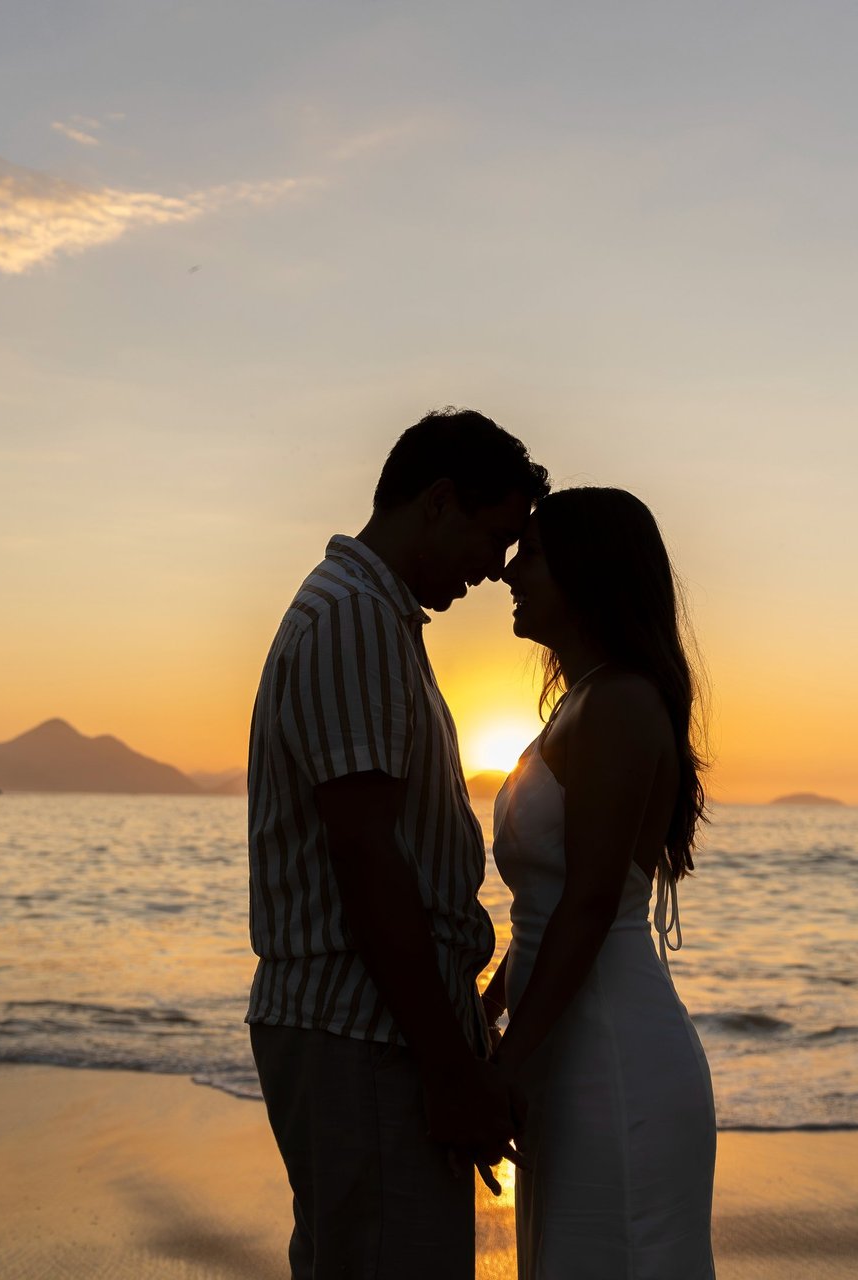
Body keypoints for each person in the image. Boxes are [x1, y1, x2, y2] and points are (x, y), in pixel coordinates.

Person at [246, 408, 550, 1278]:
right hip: (363, 1032)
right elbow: (369, 862)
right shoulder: (353, 620)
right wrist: (451, 1069)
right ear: (440, 502)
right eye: (496, 538)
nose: (496, 571)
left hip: (370, 1029)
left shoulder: (371, 617)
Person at [483, 486, 718, 1277]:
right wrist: (492, 1006)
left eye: (535, 555)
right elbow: (546, 911)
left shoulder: (618, 704)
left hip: (612, 1056)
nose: (512, 571)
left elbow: (588, 906)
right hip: (567, 1040)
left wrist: (507, 1065)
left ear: (588, 571)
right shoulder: (579, 704)